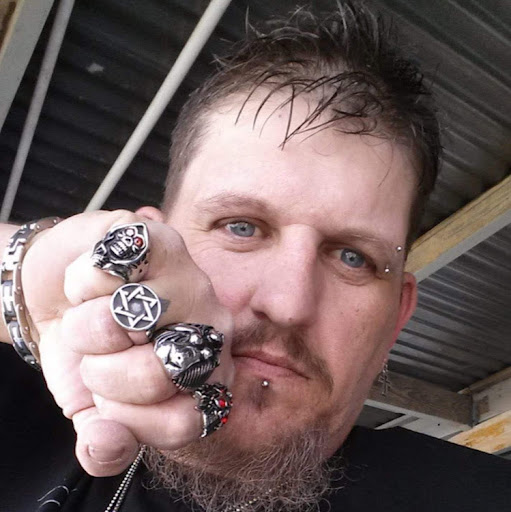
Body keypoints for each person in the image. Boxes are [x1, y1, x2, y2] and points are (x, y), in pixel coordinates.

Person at [1, 2, 510, 511]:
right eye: (240, 227)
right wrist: (21, 281)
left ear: (396, 316)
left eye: (353, 258)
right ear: (151, 243)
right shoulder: (28, 413)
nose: (289, 304)